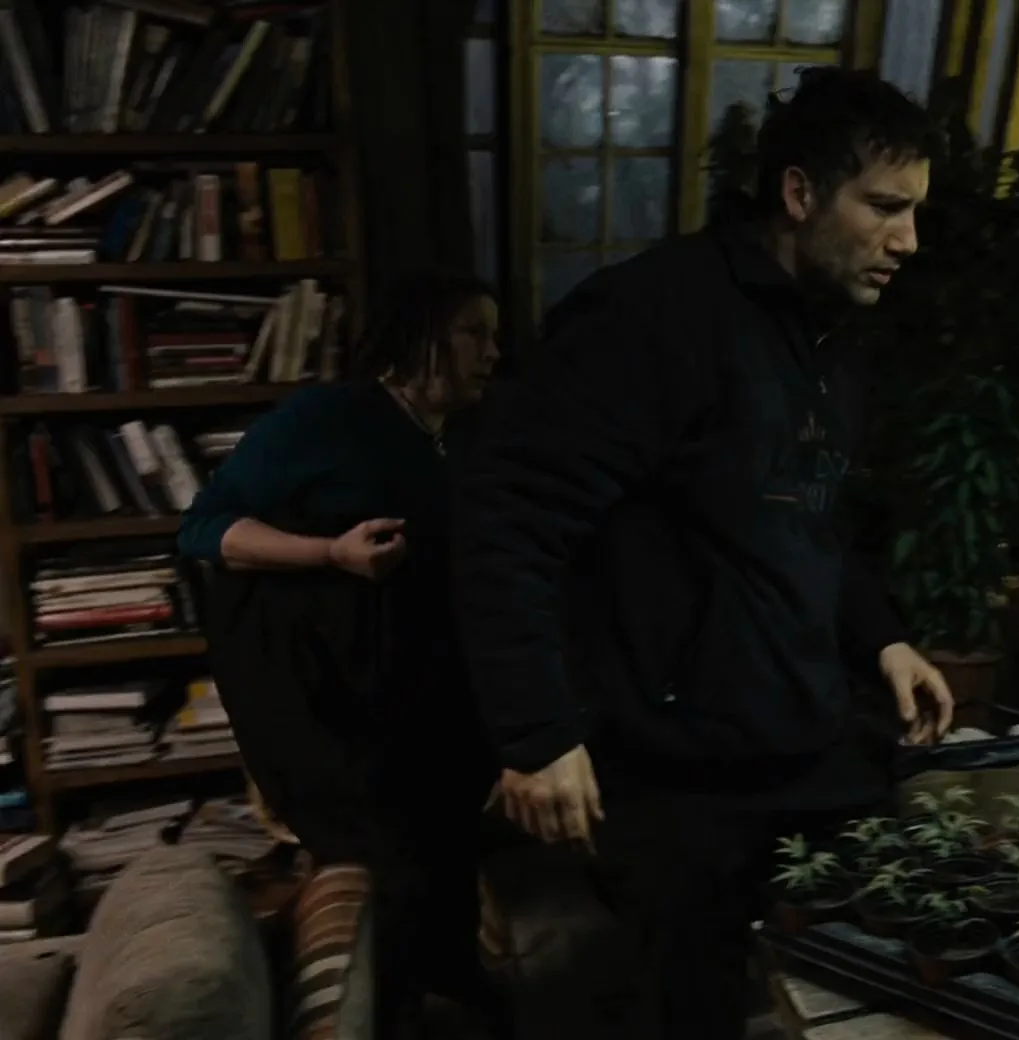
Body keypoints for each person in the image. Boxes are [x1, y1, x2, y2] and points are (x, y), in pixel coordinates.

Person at [450, 68, 955, 1039]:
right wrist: (536, 733)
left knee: (885, 985)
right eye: (885, 207)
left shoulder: (830, 336)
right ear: (799, 193)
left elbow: (803, 519)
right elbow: (507, 518)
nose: (909, 240)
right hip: (674, 775)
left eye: (915, 212)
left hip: (803, 742)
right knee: (694, 1010)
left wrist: (883, 638)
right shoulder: (652, 316)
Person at [178, 272, 504, 1037]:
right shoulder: (326, 417)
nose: (494, 352)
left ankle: (452, 989)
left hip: (417, 681)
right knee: (388, 862)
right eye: (475, 333)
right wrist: (331, 551)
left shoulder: (465, 434)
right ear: (421, 337)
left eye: (494, 335)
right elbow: (203, 530)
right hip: (320, 687)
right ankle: (386, 1012)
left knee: (450, 835)